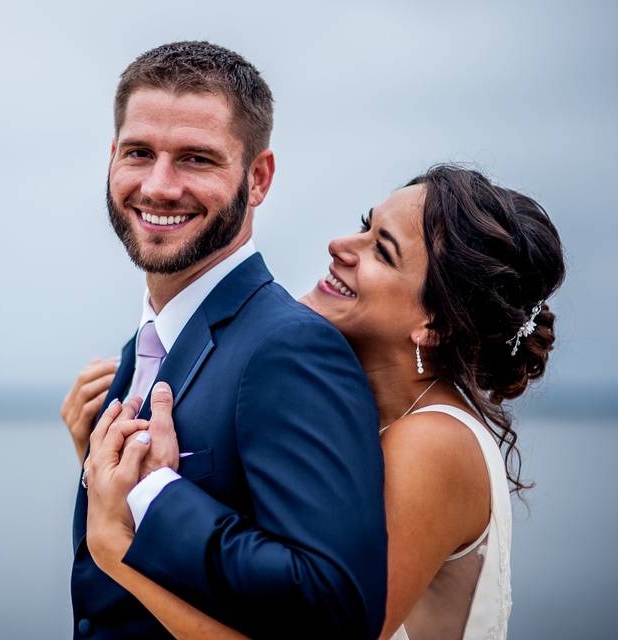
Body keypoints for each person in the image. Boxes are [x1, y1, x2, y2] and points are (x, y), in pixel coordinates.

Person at [66, 165, 565, 639]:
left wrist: (117, 548)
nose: (341, 245)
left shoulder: (431, 442)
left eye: (381, 250)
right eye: (364, 226)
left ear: (434, 326)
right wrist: (110, 463)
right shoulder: (350, 417)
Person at [68, 41, 388, 639]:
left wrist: (155, 495)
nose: (159, 187)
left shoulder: (289, 348)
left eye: (196, 159)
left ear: (258, 177)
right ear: (113, 158)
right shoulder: (144, 346)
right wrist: (97, 469)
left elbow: (334, 605)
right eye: (139, 153)